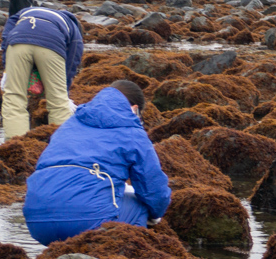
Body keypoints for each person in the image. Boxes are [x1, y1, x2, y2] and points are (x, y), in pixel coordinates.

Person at [22, 80, 171, 245]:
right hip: (87, 222)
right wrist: (156, 215)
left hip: (36, 222)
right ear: (135, 109)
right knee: (141, 206)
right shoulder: (132, 131)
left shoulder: (70, 124)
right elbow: (153, 189)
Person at [0, 6, 84, 140]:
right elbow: (73, 60)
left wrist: (6, 69)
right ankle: (61, 145)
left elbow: (6, 37)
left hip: (18, 40)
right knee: (58, 102)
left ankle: (15, 143)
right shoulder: (74, 29)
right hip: (51, 44)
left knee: (14, 97)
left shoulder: (23, 11)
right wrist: (64, 91)